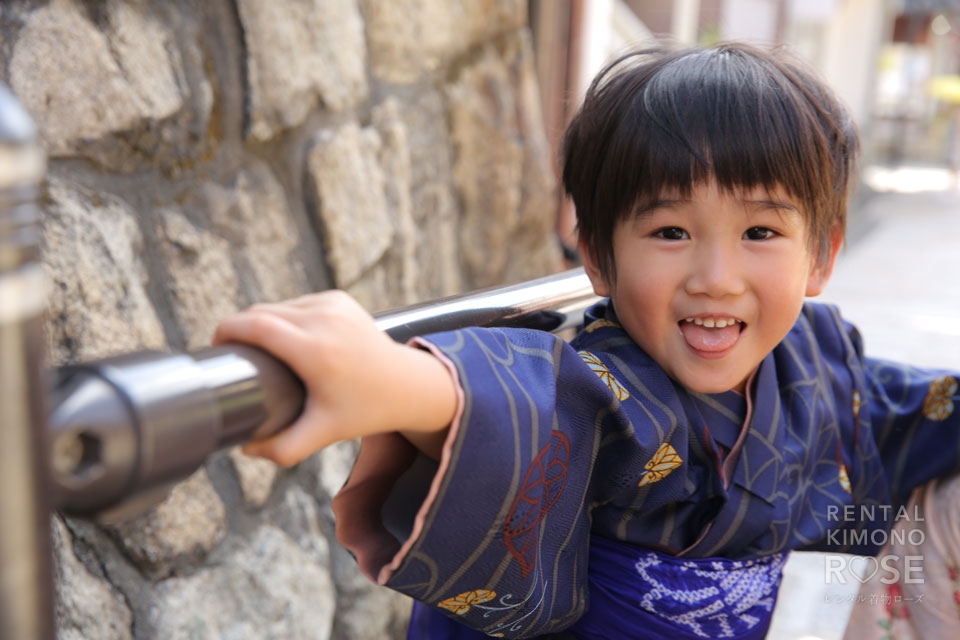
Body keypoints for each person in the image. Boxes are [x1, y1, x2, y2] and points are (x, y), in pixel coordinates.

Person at [213, 42, 960, 639]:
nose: (717, 277)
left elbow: (911, 412)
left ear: (822, 256)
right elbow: (531, 405)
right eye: (670, 231)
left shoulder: (820, 364)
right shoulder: (612, 379)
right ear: (598, 255)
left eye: (761, 231)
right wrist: (383, 379)